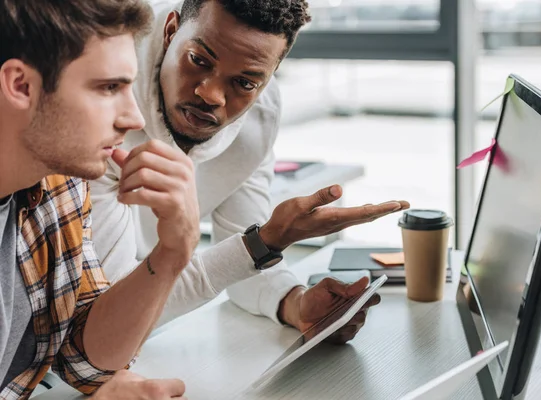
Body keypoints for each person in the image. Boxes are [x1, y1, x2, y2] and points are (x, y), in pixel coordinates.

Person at [90, 0, 410, 342]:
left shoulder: (258, 118)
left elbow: (241, 262)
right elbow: (105, 312)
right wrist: (264, 242)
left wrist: (296, 303)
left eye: (244, 83)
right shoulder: (101, 99)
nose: (210, 95)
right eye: (198, 60)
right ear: (170, 32)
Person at [0, 0, 197, 398]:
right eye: (109, 87)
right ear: (21, 84)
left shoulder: (58, 182)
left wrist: (174, 251)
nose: (135, 118)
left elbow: (83, 360)